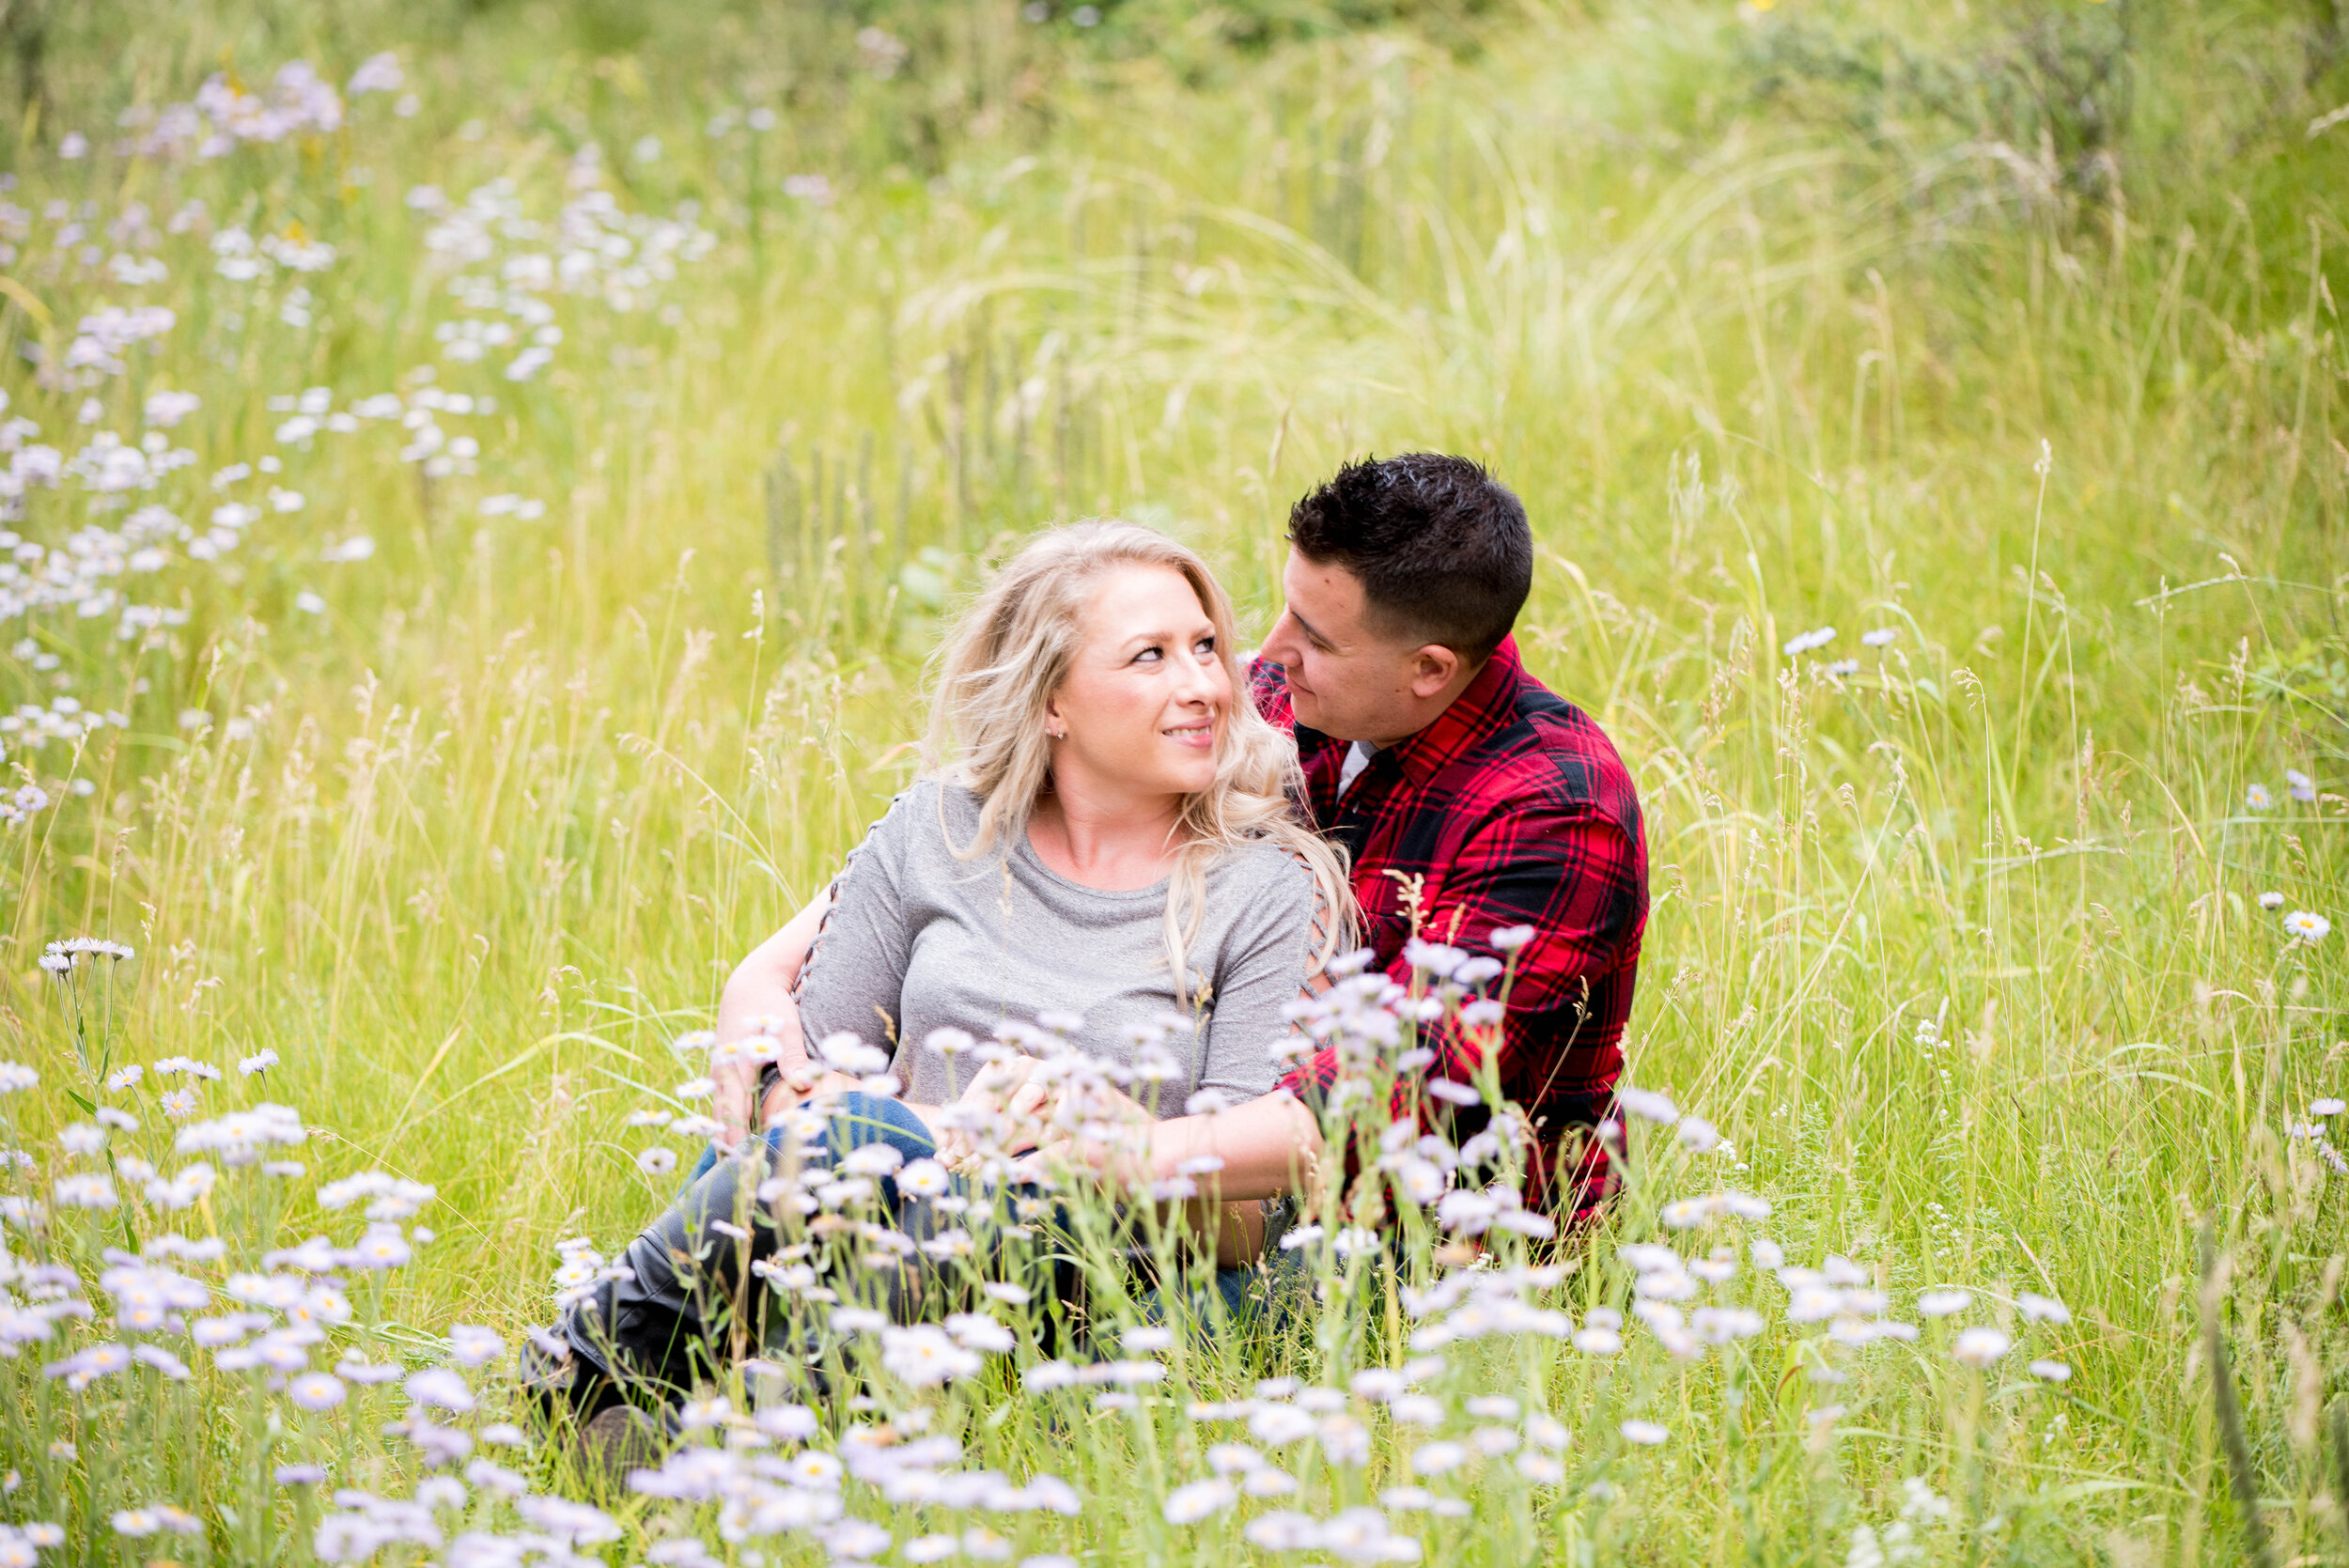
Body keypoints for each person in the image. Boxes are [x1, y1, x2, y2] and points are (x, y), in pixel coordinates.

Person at [533, 521, 1351, 1445]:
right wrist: (943, 1138)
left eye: (1205, 647)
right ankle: (620, 1381)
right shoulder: (936, 829)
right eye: (1149, 657)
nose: (1202, 684)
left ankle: (655, 1389)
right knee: (848, 1134)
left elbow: (1246, 1218)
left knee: (987, 1194)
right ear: (1052, 701)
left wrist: (1091, 1139)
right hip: (869, 1202)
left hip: (1077, 1261)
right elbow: (794, 1095)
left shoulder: (1267, 884)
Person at [727, 454, 1648, 1227]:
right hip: (1158, 1180)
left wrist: (1023, 1146)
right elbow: (929, 869)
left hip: (1424, 1244)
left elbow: (1367, 1109)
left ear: (1428, 670)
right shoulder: (1274, 702)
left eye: (1315, 636)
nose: (1267, 652)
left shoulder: (1556, 812)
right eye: (1279, 608)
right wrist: (763, 1004)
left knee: (885, 1175)